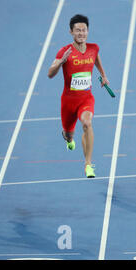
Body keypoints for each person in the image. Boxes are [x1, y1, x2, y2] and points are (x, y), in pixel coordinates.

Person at [48, 14, 110, 178]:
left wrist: (103, 75)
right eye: (77, 30)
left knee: (87, 123)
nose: (81, 33)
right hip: (68, 102)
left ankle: (88, 164)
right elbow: (49, 74)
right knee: (70, 134)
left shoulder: (94, 47)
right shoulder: (64, 51)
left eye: (84, 30)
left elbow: (95, 58)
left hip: (86, 99)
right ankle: (68, 138)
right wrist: (61, 62)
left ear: (88, 31)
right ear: (71, 32)